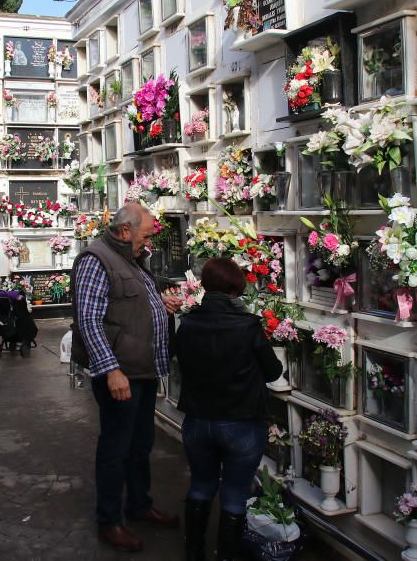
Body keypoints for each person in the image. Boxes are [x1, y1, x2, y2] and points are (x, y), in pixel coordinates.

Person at [71, 203, 182, 553]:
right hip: (121, 373)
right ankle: (110, 521)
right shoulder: (96, 260)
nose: (148, 242)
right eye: (145, 234)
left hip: (142, 369)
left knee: (140, 444)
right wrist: (111, 369)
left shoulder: (131, 258)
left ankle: (138, 505)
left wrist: (160, 308)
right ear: (124, 231)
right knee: (116, 449)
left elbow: (128, 305)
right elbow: (89, 319)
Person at [171, 258, 283, 561]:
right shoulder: (248, 327)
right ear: (236, 287)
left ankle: (194, 553)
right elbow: (273, 372)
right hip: (242, 424)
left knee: (201, 485)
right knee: (234, 494)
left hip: (197, 422)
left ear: (206, 286)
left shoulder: (188, 323)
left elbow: (181, 364)